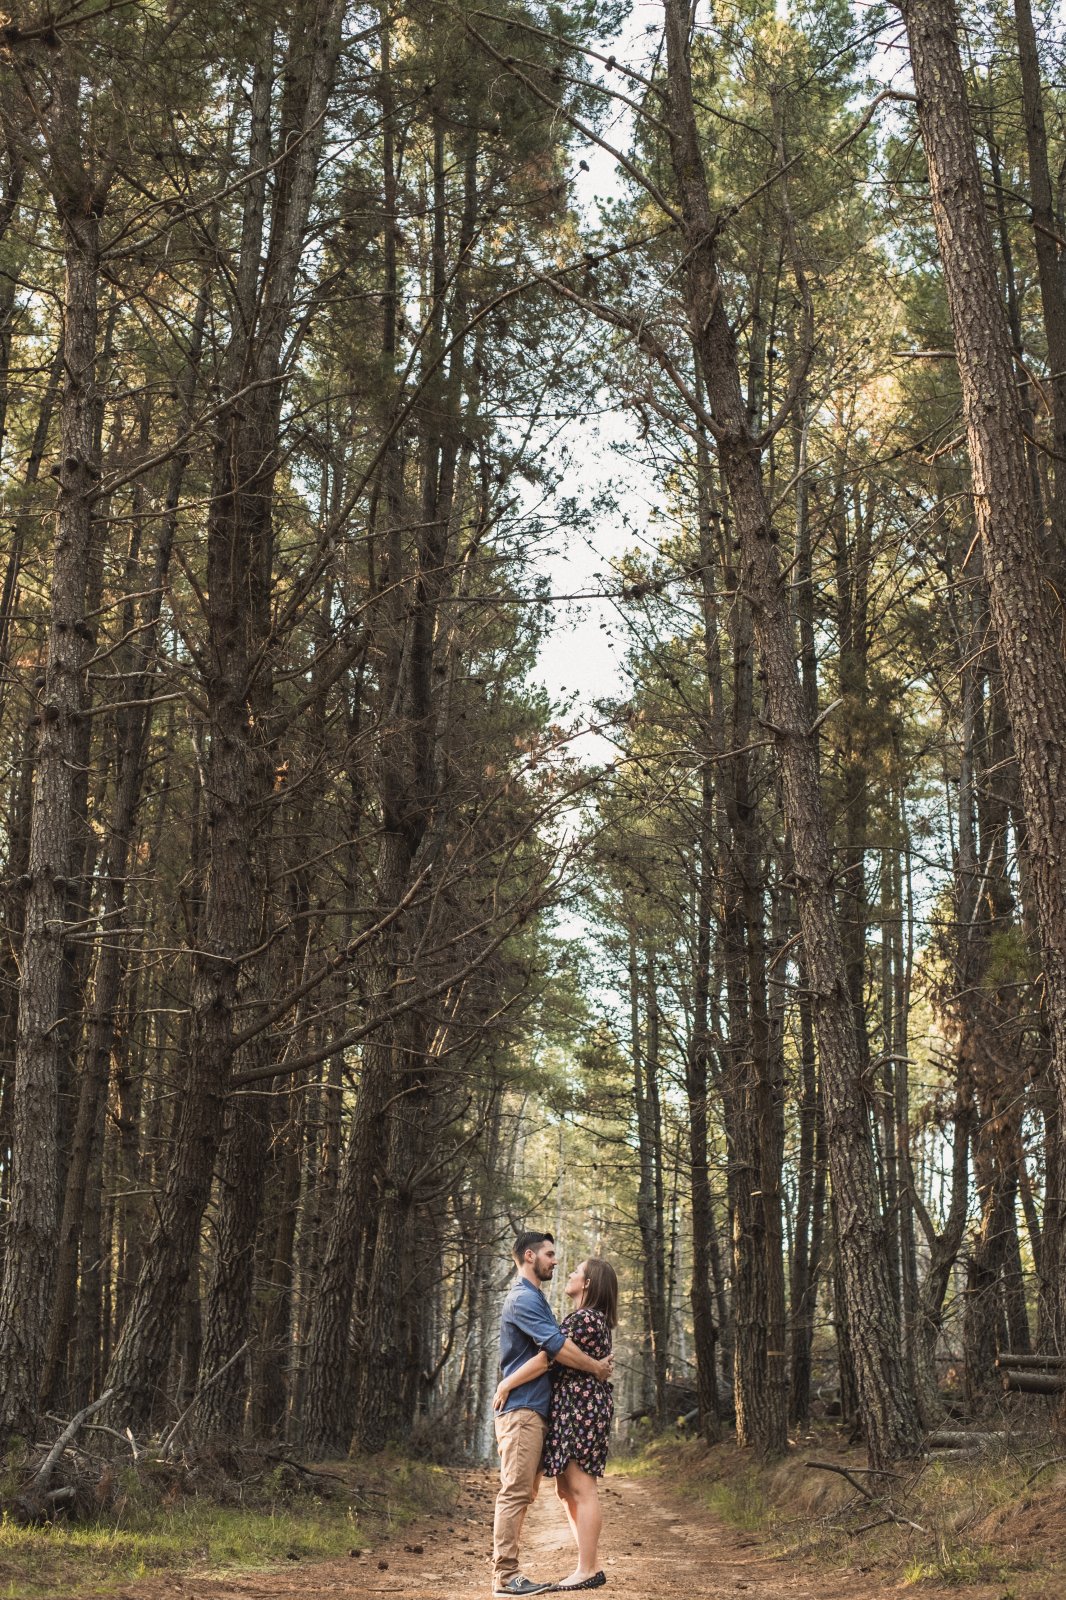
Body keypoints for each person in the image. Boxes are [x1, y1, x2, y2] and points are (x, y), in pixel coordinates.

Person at [491, 1232, 614, 1599]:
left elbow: (553, 1354)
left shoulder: (546, 1302)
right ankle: (506, 1577)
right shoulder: (524, 1298)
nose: (557, 1262)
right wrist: (506, 1384)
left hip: (545, 1409)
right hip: (524, 1407)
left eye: (569, 1265)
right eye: (549, 1254)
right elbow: (554, 1351)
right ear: (530, 1256)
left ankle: (584, 1568)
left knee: (548, 1490)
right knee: (519, 1492)